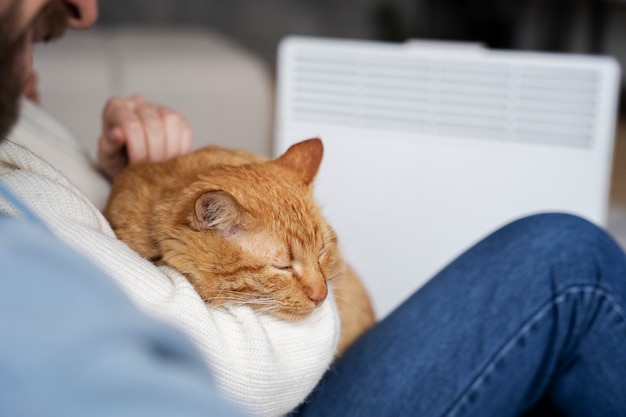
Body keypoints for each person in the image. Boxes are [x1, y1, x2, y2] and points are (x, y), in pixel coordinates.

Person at [0, 2, 624, 417]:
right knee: (568, 261)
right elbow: (244, 370)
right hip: (292, 396)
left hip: (211, 232)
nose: (85, 9)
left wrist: (119, 169)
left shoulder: (16, 108)